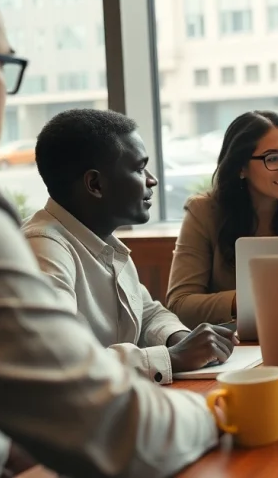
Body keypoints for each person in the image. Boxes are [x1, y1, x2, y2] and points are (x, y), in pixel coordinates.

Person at [0, 0, 215, 478]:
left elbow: (146, 314)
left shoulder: (107, 241)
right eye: (4, 64)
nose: (6, 92)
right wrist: (218, 414)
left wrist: (174, 341)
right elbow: (118, 429)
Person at [22, 109, 237, 385]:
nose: (151, 180)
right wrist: (172, 357)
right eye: (138, 168)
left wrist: (183, 340)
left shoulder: (102, 242)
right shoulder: (44, 248)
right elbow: (55, 358)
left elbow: (148, 313)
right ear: (95, 184)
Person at [167, 110, 278, 327]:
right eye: (273, 158)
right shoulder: (204, 211)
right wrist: (255, 297)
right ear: (241, 168)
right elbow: (180, 305)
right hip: (232, 344)